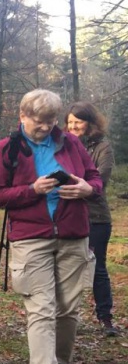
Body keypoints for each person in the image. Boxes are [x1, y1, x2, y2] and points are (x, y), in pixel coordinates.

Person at [0, 89, 101, 364]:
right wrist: (31, 190)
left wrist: (87, 188)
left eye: (51, 120)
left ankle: (62, 363)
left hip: (73, 234)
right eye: (39, 121)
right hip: (30, 238)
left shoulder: (71, 143)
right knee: (41, 310)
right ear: (22, 116)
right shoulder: (7, 149)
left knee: (68, 308)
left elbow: (94, 178)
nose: (46, 126)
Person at [66, 102, 118, 337]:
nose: (73, 127)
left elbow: (100, 180)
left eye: (78, 122)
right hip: (67, 215)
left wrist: (80, 184)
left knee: (97, 268)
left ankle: (105, 318)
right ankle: (67, 318)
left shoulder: (103, 147)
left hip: (96, 217)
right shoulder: (62, 145)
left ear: (89, 123)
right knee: (68, 268)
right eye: (69, 122)